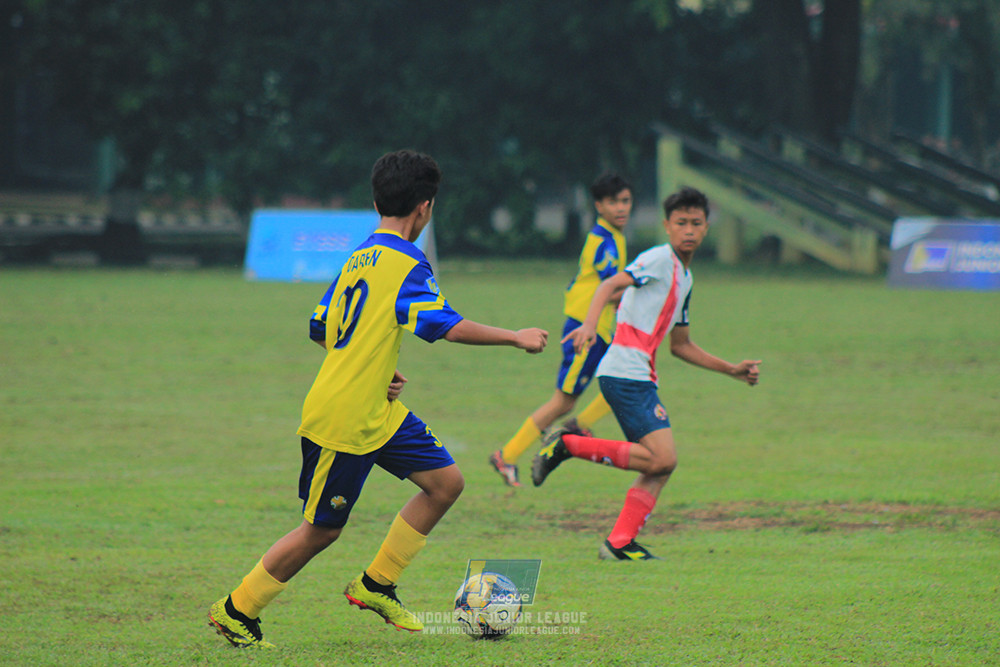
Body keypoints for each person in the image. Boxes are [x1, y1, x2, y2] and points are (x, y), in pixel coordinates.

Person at [208, 150, 548, 648]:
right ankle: (237, 609)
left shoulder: (359, 255)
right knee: (321, 531)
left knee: (445, 484)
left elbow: (321, 327)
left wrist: (376, 367)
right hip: (343, 419)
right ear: (425, 208)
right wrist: (514, 336)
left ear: (376, 201)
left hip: (375, 410)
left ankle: (376, 585)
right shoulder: (407, 262)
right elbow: (445, 326)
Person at [531, 187, 760, 560]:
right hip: (624, 372)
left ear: (705, 229)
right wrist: (590, 326)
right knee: (662, 458)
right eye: (681, 222)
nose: (689, 230)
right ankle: (568, 444)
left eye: (696, 223)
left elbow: (681, 345)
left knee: (661, 463)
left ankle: (619, 542)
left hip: (638, 374)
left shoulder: (684, 278)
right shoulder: (657, 259)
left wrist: (731, 370)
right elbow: (610, 283)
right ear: (667, 226)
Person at [489, 173, 633, 487]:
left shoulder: (615, 235)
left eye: (625, 201)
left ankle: (579, 426)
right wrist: (647, 288)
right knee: (562, 401)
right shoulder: (604, 242)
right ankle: (507, 454)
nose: (621, 208)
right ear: (599, 205)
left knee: (625, 378)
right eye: (613, 202)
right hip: (586, 330)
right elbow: (612, 289)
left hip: (603, 328)